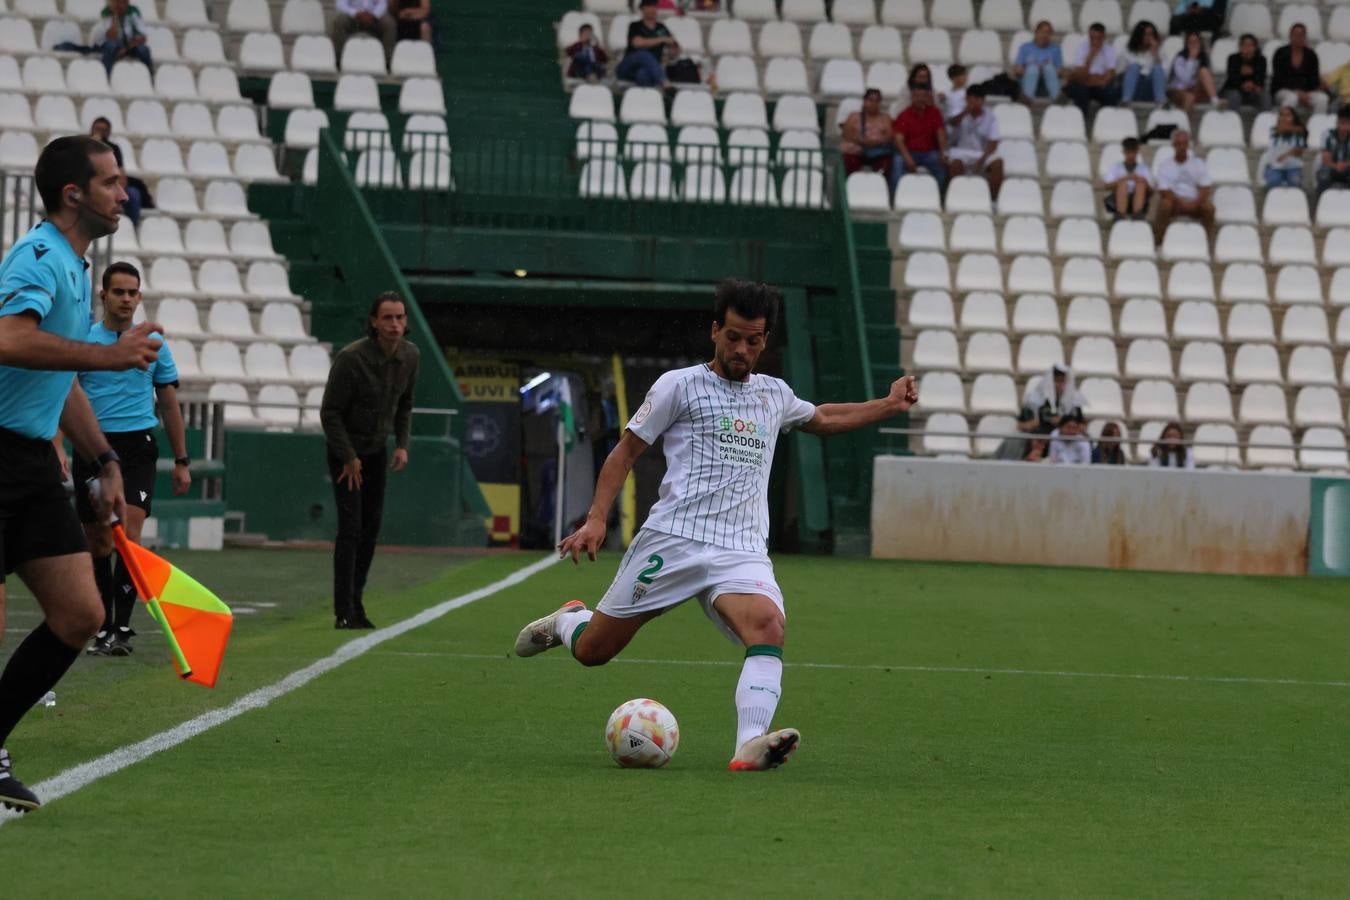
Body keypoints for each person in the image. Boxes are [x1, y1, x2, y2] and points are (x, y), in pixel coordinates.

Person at [512, 280, 919, 772]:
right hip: (673, 539)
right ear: (714, 332)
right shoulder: (677, 386)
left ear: (764, 341)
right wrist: (597, 519)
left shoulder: (775, 395)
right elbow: (625, 452)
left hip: (741, 549)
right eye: (732, 336)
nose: (741, 349)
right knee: (595, 651)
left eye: (753, 339)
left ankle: (750, 743)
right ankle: (568, 619)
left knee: (768, 625)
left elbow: (825, 417)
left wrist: (888, 404)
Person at [0, 135, 163, 812]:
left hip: (33, 460)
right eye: (111, 182)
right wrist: (110, 358)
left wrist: (104, 460)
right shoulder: (38, 256)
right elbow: (7, 339)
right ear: (74, 195)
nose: (124, 193)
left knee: (80, 614)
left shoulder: (73, 264)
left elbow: (57, 375)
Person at [76, 262, 190, 657]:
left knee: (130, 533)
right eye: (119, 292)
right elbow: (64, 396)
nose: (126, 299)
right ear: (103, 295)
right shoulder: (85, 341)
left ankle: (120, 627)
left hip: (138, 446)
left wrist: (182, 459)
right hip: (92, 447)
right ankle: (103, 623)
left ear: (139, 297)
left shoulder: (154, 344)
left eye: (132, 292)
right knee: (100, 540)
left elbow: (170, 405)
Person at [319, 292, 419, 630]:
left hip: (376, 451)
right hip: (345, 451)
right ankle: (343, 609)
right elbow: (330, 412)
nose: (394, 325)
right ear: (374, 322)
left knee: (371, 529)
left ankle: (357, 603)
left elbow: (405, 403)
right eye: (387, 318)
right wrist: (348, 458)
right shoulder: (351, 358)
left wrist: (402, 444)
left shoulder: (410, 356)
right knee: (350, 529)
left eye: (400, 318)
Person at [1153, 130, 1214, 243]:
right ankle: (1159, 242)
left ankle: (1205, 242)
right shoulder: (1165, 165)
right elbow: (1164, 191)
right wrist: (1182, 203)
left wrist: (1194, 203)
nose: (1181, 147)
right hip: (1175, 204)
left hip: (1195, 204)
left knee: (1209, 208)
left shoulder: (1198, 164)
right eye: (1178, 144)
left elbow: (1205, 188)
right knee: (1165, 204)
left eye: (1184, 144)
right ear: (1173, 145)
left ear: (1188, 145)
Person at [890, 79, 947, 193]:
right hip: (910, 152)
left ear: (927, 97)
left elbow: (940, 133)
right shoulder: (904, 114)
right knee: (897, 162)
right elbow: (899, 140)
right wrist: (908, 159)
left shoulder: (934, 113)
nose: (920, 99)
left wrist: (942, 152)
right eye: (917, 96)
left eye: (923, 96)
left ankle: (937, 197)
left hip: (929, 153)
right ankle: (896, 196)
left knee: (942, 166)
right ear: (912, 97)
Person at [946, 85, 1003, 200]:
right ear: (966, 99)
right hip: (962, 151)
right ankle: (955, 198)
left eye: (977, 100)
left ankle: (993, 200)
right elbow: (951, 124)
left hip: (981, 152)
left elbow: (994, 141)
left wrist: (982, 158)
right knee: (955, 164)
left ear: (982, 101)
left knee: (998, 164)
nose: (973, 103)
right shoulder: (959, 112)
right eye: (970, 100)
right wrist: (964, 113)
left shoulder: (990, 116)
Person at [88, 117, 144, 227]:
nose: (100, 132)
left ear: (109, 132)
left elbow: (121, 172)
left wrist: (119, 191)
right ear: (92, 129)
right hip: (92, 184)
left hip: (113, 184)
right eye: (97, 129)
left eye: (104, 130)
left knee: (134, 194)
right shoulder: (84, 145)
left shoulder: (114, 148)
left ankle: (133, 228)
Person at [1271, 24, 1327, 118]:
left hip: (1306, 92)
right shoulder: (1280, 53)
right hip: (1283, 90)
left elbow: (1314, 79)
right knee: (1292, 97)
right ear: (1290, 36)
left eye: (1301, 35)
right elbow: (1279, 78)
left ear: (1305, 37)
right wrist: (1297, 92)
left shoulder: (1311, 55)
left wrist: (1305, 94)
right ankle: (1284, 125)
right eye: (1295, 34)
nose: (1298, 37)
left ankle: (1315, 127)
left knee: (1322, 99)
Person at [1066, 22, 1120, 117]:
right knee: (1081, 89)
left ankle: (1107, 120)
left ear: (1104, 37)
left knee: (1111, 91)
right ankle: (1080, 120)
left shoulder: (1109, 50)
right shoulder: (1082, 48)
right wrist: (1090, 58)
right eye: (1092, 38)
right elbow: (1079, 76)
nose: (1094, 41)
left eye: (1098, 38)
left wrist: (1098, 80)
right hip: (1083, 83)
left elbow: (1110, 73)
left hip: (1099, 85)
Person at [617, 0, 674, 89]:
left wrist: (673, 48)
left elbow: (673, 46)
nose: (652, 9)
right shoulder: (635, 26)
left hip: (650, 70)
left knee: (642, 74)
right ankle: (664, 81)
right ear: (642, 9)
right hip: (628, 66)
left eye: (654, 6)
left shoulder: (661, 28)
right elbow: (637, 43)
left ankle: (646, 101)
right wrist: (662, 39)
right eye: (649, 7)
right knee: (643, 54)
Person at [840, 88, 894, 179]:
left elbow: (890, 136)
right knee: (849, 161)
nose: (873, 104)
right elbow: (846, 134)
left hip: (879, 153)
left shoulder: (885, 118)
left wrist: (876, 142)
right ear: (864, 101)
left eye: (877, 101)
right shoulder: (854, 116)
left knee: (886, 165)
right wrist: (860, 140)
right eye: (871, 100)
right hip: (857, 152)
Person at [1166, 30, 1220, 114]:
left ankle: (1215, 101)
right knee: (1189, 97)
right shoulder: (1180, 58)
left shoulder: (1203, 57)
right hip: (1178, 90)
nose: (1194, 45)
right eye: (1191, 42)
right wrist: (1191, 59)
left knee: (1203, 71)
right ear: (1186, 44)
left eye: (1196, 42)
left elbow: (1208, 80)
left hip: (1194, 89)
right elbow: (1185, 81)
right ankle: (1184, 125)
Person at [1012, 21, 1064, 102]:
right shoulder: (1025, 47)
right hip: (1028, 80)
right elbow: (1017, 70)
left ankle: (1057, 101)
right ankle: (1027, 100)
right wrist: (1036, 68)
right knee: (1032, 68)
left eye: (1048, 33)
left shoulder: (1055, 49)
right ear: (1036, 32)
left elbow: (1060, 72)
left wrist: (1044, 69)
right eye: (1042, 32)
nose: (1045, 35)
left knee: (1049, 67)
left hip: (1046, 83)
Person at [1104, 136, 1152, 219]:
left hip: (1139, 199)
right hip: (1118, 199)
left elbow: (1151, 191)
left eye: (1133, 152)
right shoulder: (1116, 167)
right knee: (1122, 185)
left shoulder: (1144, 169)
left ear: (1137, 152)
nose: (1131, 155)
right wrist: (1123, 179)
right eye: (1128, 152)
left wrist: (1144, 182)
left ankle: (1137, 214)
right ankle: (1120, 215)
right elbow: (1107, 186)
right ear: (1124, 152)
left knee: (1140, 185)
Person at [331, 0, 397, 61]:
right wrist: (356, 13)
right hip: (353, 16)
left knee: (389, 24)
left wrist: (374, 15)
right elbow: (340, 4)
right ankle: (339, 58)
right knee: (339, 22)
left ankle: (388, 60)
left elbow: (382, 4)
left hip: (373, 17)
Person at [1120, 20, 1167, 105]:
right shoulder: (1127, 50)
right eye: (1146, 34)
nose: (1149, 37)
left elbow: (1164, 74)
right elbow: (1120, 72)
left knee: (1157, 68)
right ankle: (1125, 101)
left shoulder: (1160, 50)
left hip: (1152, 89)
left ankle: (1161, 102)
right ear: (1139, 35)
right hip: (1133, 88)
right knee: (1133, 67)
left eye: (1152, 34)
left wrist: (1155, 53)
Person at [99, 0, 151, 74]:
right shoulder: (106, 12)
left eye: (122, 2)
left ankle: (149, 76)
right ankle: (106, 76)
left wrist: (126, 49)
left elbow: (142, 37)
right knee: (109, 46)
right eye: (115, 2)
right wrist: (114, 15)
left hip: (131, 45)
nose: (118, 5)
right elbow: (111, 36)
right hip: (115, 46)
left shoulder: (133, 12)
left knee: (144, 50)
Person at [1221, 34, 1271, 111]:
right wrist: (1242, 84)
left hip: (1253, 90)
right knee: (1234, 96)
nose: (1247, 48)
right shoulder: (1233, 58)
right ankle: (1232, 121)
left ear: (1255, 47)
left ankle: (1265, 120)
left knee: (1265, 97)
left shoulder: (1261, 59)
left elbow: (1261, 78)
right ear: (1240, 47)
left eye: (1250, 45)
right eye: (1244, 45)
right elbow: (1232, 77)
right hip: (1234, 89)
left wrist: (1253, 84)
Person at [1262, 105, 1307, 189]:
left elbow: (1299, 152)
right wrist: (1298, 129)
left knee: (1295, 183)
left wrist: (1287, 154)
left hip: (1294, 167)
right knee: (1273, 183)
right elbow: (1281, 129)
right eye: (1282, 115)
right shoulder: (1273, 130)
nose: (1284, 118)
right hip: (1274, 166)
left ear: (1294, 117)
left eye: (1288, 115)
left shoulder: (1299, 133)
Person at [1317, 106, 1350, 199]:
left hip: (1347, 167)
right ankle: (1321, 203)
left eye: (1348, 123)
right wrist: (1336, 166)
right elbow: (1325, 159)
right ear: (1337, 122)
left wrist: (1344, 165)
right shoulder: (1327, 134)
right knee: (1323, 175)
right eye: (1343, 123)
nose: (1346, 126)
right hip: (1331, 166)